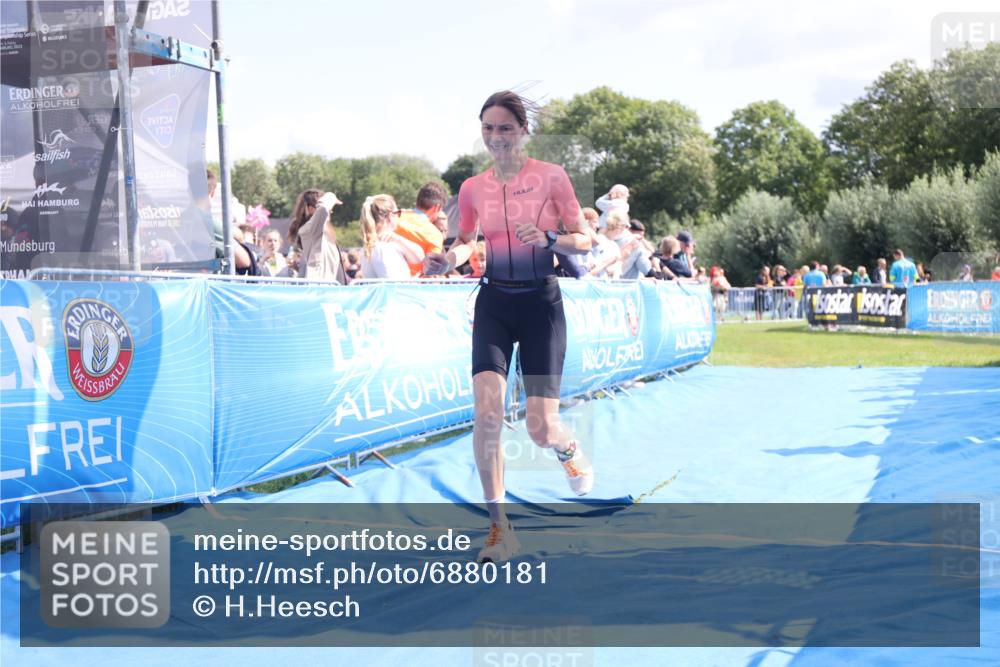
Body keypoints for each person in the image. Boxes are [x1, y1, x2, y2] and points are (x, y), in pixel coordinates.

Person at [422, 90, 594, 563]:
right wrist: (449, 260)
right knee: (487, 413)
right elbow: (465, 241)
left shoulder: (552, 177)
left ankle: (566, 446)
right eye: (488, 128)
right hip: (494, 302)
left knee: (541, 427)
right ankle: (499, 527)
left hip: (541, 304)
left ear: (522, 130)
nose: (495, 136)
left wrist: (551, 237)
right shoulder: (471, 188)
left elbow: (585, 239)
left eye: (504, 128)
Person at [359, 195, 426, 280]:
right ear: (390, 216)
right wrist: (413, 281)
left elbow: (419, 258)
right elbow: (392, 283)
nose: (398, 217)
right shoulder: (383, 248)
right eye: (398, 213)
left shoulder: (373, 245)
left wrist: (399, 239)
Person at [289, 189, 348, 283]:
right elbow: (323, 208)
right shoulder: (310, 229)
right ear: (311, 209)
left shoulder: (320, 232)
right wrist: (330, 196)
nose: (330, 212)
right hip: (321, 288)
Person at [396, 182, 446, 277]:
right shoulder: (435, 235)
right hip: (412, 283)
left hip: (381, 280)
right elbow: (429, 273)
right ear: (437, 207)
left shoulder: (394, 218)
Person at [604, 210, 651, 279]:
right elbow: (646, 268)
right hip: (626, 283)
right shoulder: (634, 243)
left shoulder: (600, 240)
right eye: (627, 226)